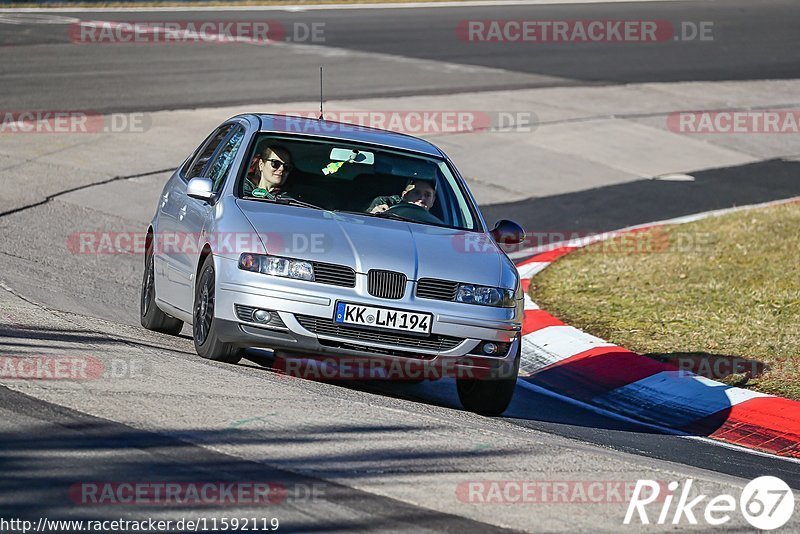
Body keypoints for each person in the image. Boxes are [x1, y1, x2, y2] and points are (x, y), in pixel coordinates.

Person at [368, 178, 437, 214]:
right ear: (404, 195)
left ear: (433, 201)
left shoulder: (438, 224)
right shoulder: (384, 203)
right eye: (416, 193)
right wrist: (373, 215)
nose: (422, 199)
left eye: (427, 195)